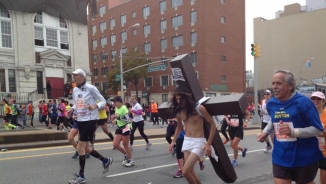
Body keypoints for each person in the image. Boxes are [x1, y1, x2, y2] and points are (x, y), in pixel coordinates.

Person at [258, 69, 324, 184]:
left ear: (290, 86)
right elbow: (274, 120)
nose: (274, 87)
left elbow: (318, 129)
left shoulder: (304, 102)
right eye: (273, 83)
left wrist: (294, 132)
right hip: (281, 155)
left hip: (304, 156)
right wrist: (265, 132)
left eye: (279, 83)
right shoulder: (271, 103)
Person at [67, 69, 113, 184]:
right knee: (87, 148)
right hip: (81, 121)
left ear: (82, 77)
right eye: (73, 76)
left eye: (76, 75)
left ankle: (81, 176)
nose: (74, 77)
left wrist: (95, 106)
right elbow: (77, 104)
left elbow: (103, 101)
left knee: (80, 147)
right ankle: (105, 160)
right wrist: (72, 110)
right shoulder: (75, 89)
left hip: (90, 121)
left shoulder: (91, 88)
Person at [168, 86, 218, 184]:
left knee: (185, 171)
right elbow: (179, 127)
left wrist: (208, 143)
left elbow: (213, 124)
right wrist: (173, 141)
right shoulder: (179, 111)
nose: (178, 101)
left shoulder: (198, 108)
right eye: (176, 99)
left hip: (198, 142)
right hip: (187, 141)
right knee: (191, 172)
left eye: (180, 98)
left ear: (186, 98)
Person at [111, 96, 135, 167]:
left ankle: (131, 160)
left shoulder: (124, 108)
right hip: (119, 127)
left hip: (126, 127)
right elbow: (117, 117)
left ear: (119, 102)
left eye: (115, 102)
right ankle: (126, 155)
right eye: (113, 102)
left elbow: (127, 119)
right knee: (115, 144)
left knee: (125, 145)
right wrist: (115, 120)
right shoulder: (116, 108)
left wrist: (117, 117)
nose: (114, 104)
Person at [310, 91, 326, 184]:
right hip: (311, 151)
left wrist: (317, 130)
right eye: (313, 99)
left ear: (323, 101)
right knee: (305, 180)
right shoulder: (308, 115)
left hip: (324, 152)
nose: (315, 100)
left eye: (318, 99)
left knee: (323, 180)